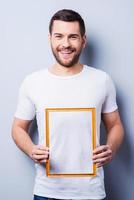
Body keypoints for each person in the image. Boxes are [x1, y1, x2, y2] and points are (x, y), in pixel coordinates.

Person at [12, 9, 124, 200]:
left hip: (91, 192)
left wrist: (110, 149)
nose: (65, 44)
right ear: (50, 39)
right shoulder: (33, 82)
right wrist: (31, 149)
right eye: (59, 36)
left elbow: (115, 125)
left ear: (83, 40)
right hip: (46, 192)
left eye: (73, 37)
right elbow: (18, 128)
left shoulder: (102, 80)